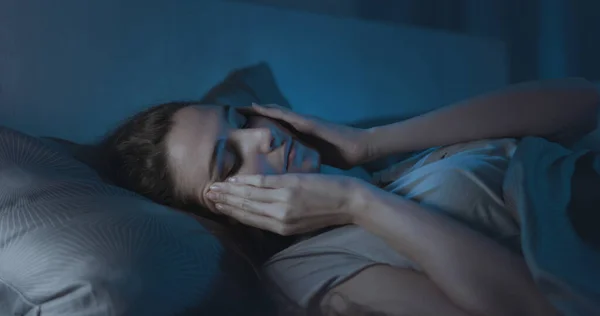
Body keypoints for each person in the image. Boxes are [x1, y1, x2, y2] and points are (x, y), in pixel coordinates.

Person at [101, 78, 598, 316]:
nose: (262, 137)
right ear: (223, 212)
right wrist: (359, 204)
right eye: (230, 162)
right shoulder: (306, 271)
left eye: (241, 119)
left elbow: (583, 101)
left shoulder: (371, 167)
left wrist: (372, 142)